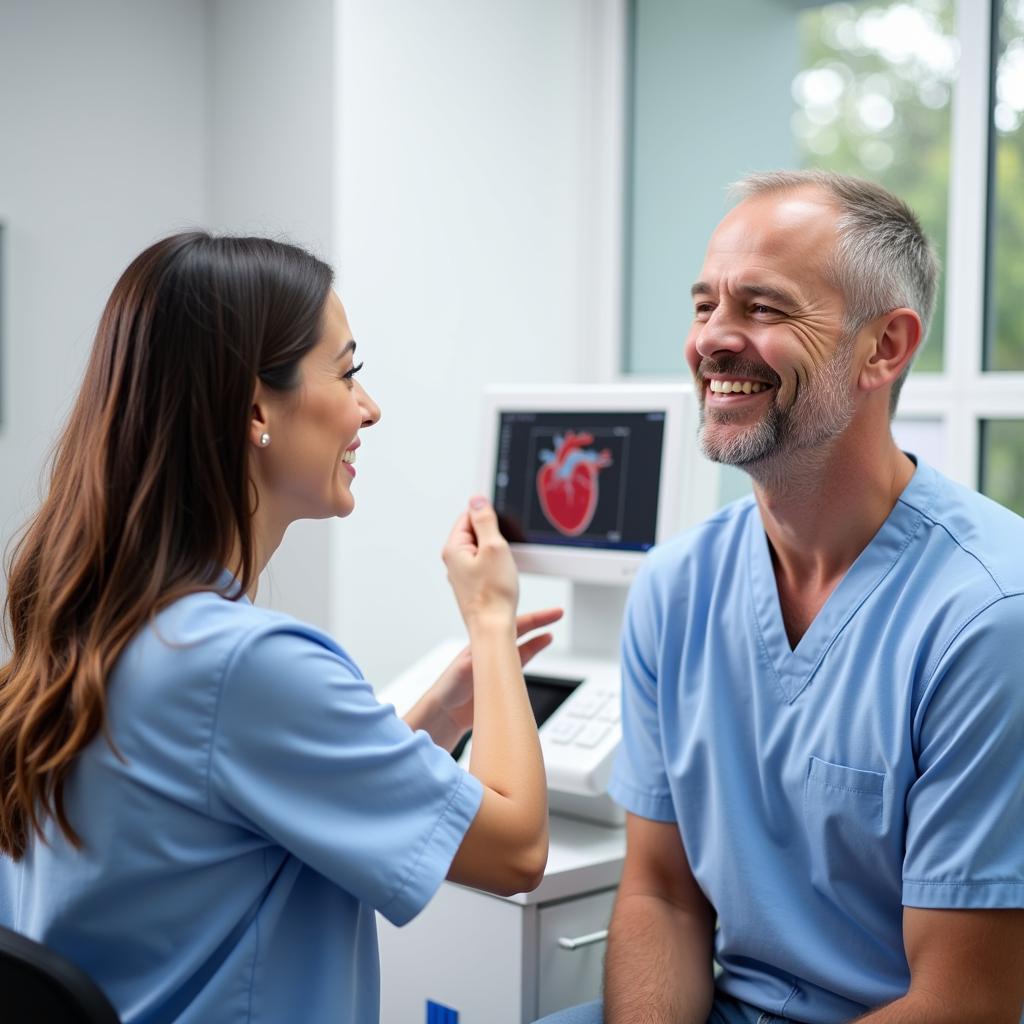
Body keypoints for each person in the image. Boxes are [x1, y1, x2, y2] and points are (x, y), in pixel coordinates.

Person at [0, 232, 560, 1024]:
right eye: (348, 371)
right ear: (256, 407)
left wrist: (433, 720)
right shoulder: (241, 666)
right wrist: (493, 621)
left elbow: (244, 805)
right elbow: (517, 851)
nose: (368, 407)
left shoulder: (91, 634)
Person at [538, 171, 1024, 1024]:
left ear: (886, 348)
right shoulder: (676, 587)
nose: (712, 342)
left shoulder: (989, 617)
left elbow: (964, 1001)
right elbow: (662, 893)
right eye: (703, 307)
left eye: (762, 308)